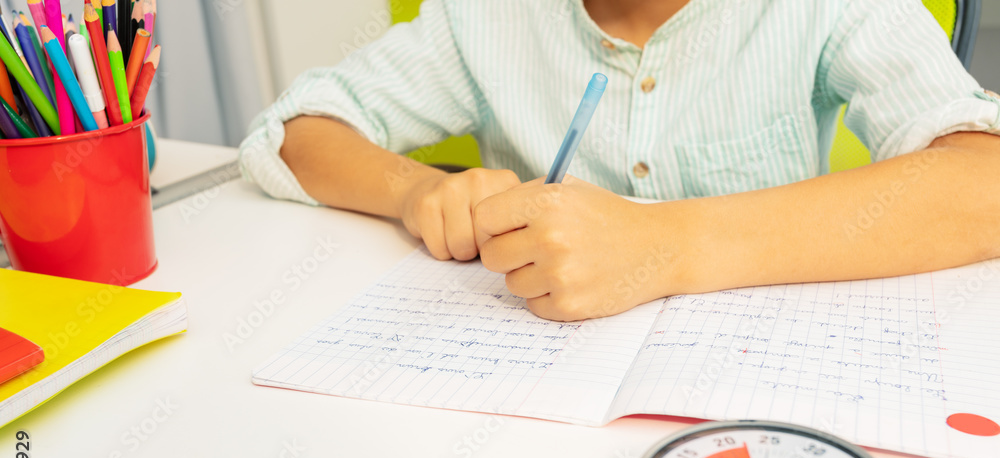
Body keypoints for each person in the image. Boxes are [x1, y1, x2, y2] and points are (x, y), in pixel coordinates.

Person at [240, 0, 1000, 322]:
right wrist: (418, 192)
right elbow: (294, 132)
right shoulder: (484, 17)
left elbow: (985, 178)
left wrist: (665, 246)